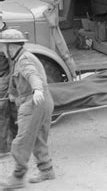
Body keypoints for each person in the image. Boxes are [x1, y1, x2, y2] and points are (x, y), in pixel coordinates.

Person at [0, 29, 55, 189]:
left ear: (11, 47)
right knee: (38, 138)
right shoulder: (19, 59)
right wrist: (12, 93)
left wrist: (36, 89)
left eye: (3, 47)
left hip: (34, 102)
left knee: (21, 142)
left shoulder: (24, 60)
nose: (2, 51)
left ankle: (17, 177)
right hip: (43, 101)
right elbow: (16, 78)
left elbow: (32, 75)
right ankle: (47, 170)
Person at [0, 21, 17, 158]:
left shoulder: (7, 37)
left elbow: (13, 64)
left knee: (5, 112)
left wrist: (11, 87)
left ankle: (5, 148)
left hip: (4, 79)